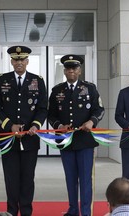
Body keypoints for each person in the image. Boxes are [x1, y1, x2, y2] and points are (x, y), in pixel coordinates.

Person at [0, 45, 48, 216]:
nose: (19, 63)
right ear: (11, 61)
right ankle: (11, 211)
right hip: (8, 139)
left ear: (27, 61)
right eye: (16, 60)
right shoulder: (2, 80)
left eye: (22, 59)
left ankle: (26, 212)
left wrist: (35, 125)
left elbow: (43, 108)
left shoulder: (37, 80)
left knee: (27, 179)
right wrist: (9, 126)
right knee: (11, 179)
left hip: (30, 140)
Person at [47, 54, 105, 216]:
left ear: (80, 71)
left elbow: (99, 110)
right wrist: (59, 126)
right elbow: (50, 115)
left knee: (85, 179)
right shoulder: (57, 90)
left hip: (85, 141)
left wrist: (92, 122)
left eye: (75, 68)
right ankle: (73, 210)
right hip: (66, 141)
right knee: (70, 179)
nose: (71, 71)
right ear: (64, 71)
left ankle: (85, 212)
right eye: (68, 68)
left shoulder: (90, 88)